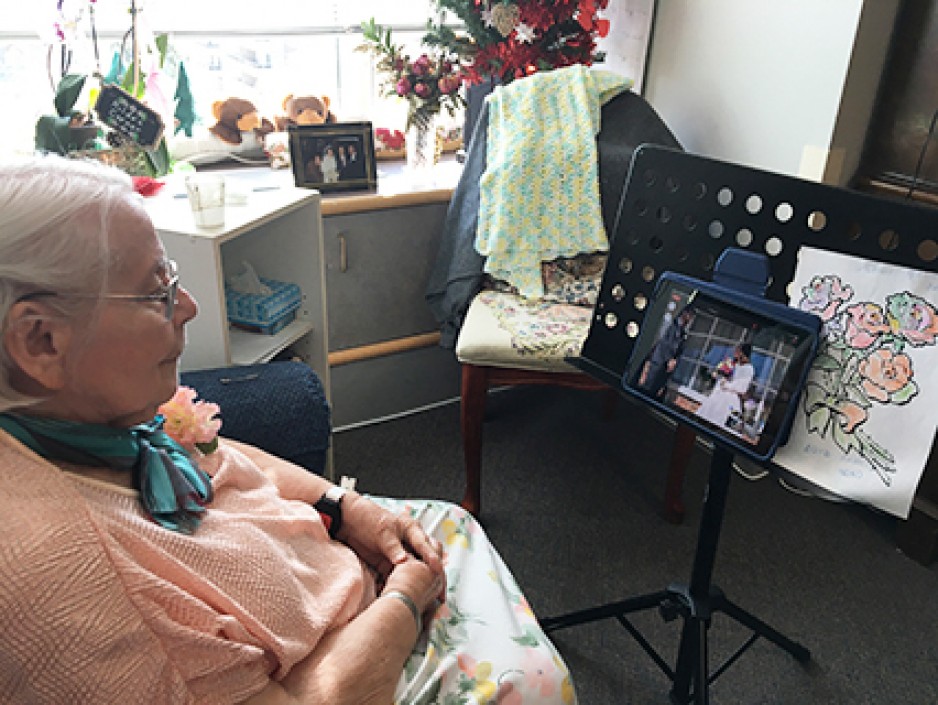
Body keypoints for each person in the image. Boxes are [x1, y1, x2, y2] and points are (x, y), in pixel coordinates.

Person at [0, 155, 576, 705]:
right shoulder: (52, 570)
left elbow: (221, 455)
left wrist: (343, 508)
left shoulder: (83, 410)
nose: (189, 307)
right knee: (537, 686)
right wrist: (406, 595)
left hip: (341, 577)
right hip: (359, 661)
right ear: (40, 341)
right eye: (158, 293)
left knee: (452, 521)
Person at [636, 307, 694, 399]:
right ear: (685, 314)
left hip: (666, 364)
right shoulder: (671, 324)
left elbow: (679, 349)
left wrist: (674, 360)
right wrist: (669, 359)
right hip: (659, 358)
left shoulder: (683, 332)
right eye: (690, 316)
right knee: (648, 383)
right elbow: (663, 341)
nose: (690, 319)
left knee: (656, 387)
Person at [696, 342, 755, 428]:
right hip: (718, 394)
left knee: (717, 421)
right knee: (704, 417)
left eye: (737, 351)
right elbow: (722, 374)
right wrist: (719, 375)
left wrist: (726, 384)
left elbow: (742, 388)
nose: (735, 352)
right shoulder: (733, 363)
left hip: (728, 400)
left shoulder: (749, 369)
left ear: (742, 353)